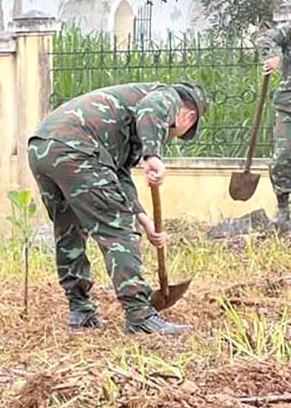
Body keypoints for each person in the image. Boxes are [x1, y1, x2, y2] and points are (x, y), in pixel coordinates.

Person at [28, 82, 207, 335]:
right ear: (188, 117)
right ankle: (140, 314)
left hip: (43, 147)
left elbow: (117, 174)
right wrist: (152, 155)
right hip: (80, 148)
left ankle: (80, 310)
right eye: (184, 130)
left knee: (70, 231)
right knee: (119, 232)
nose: (172, 134)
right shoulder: (167, 97)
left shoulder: (124, 121)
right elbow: (151, 110)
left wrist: (145, 220)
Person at [259, 2, 291, 231]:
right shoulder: (288, 30)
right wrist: (273, 56)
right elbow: (266, 38)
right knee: (282, 158)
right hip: (288, 106)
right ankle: (283, 210)